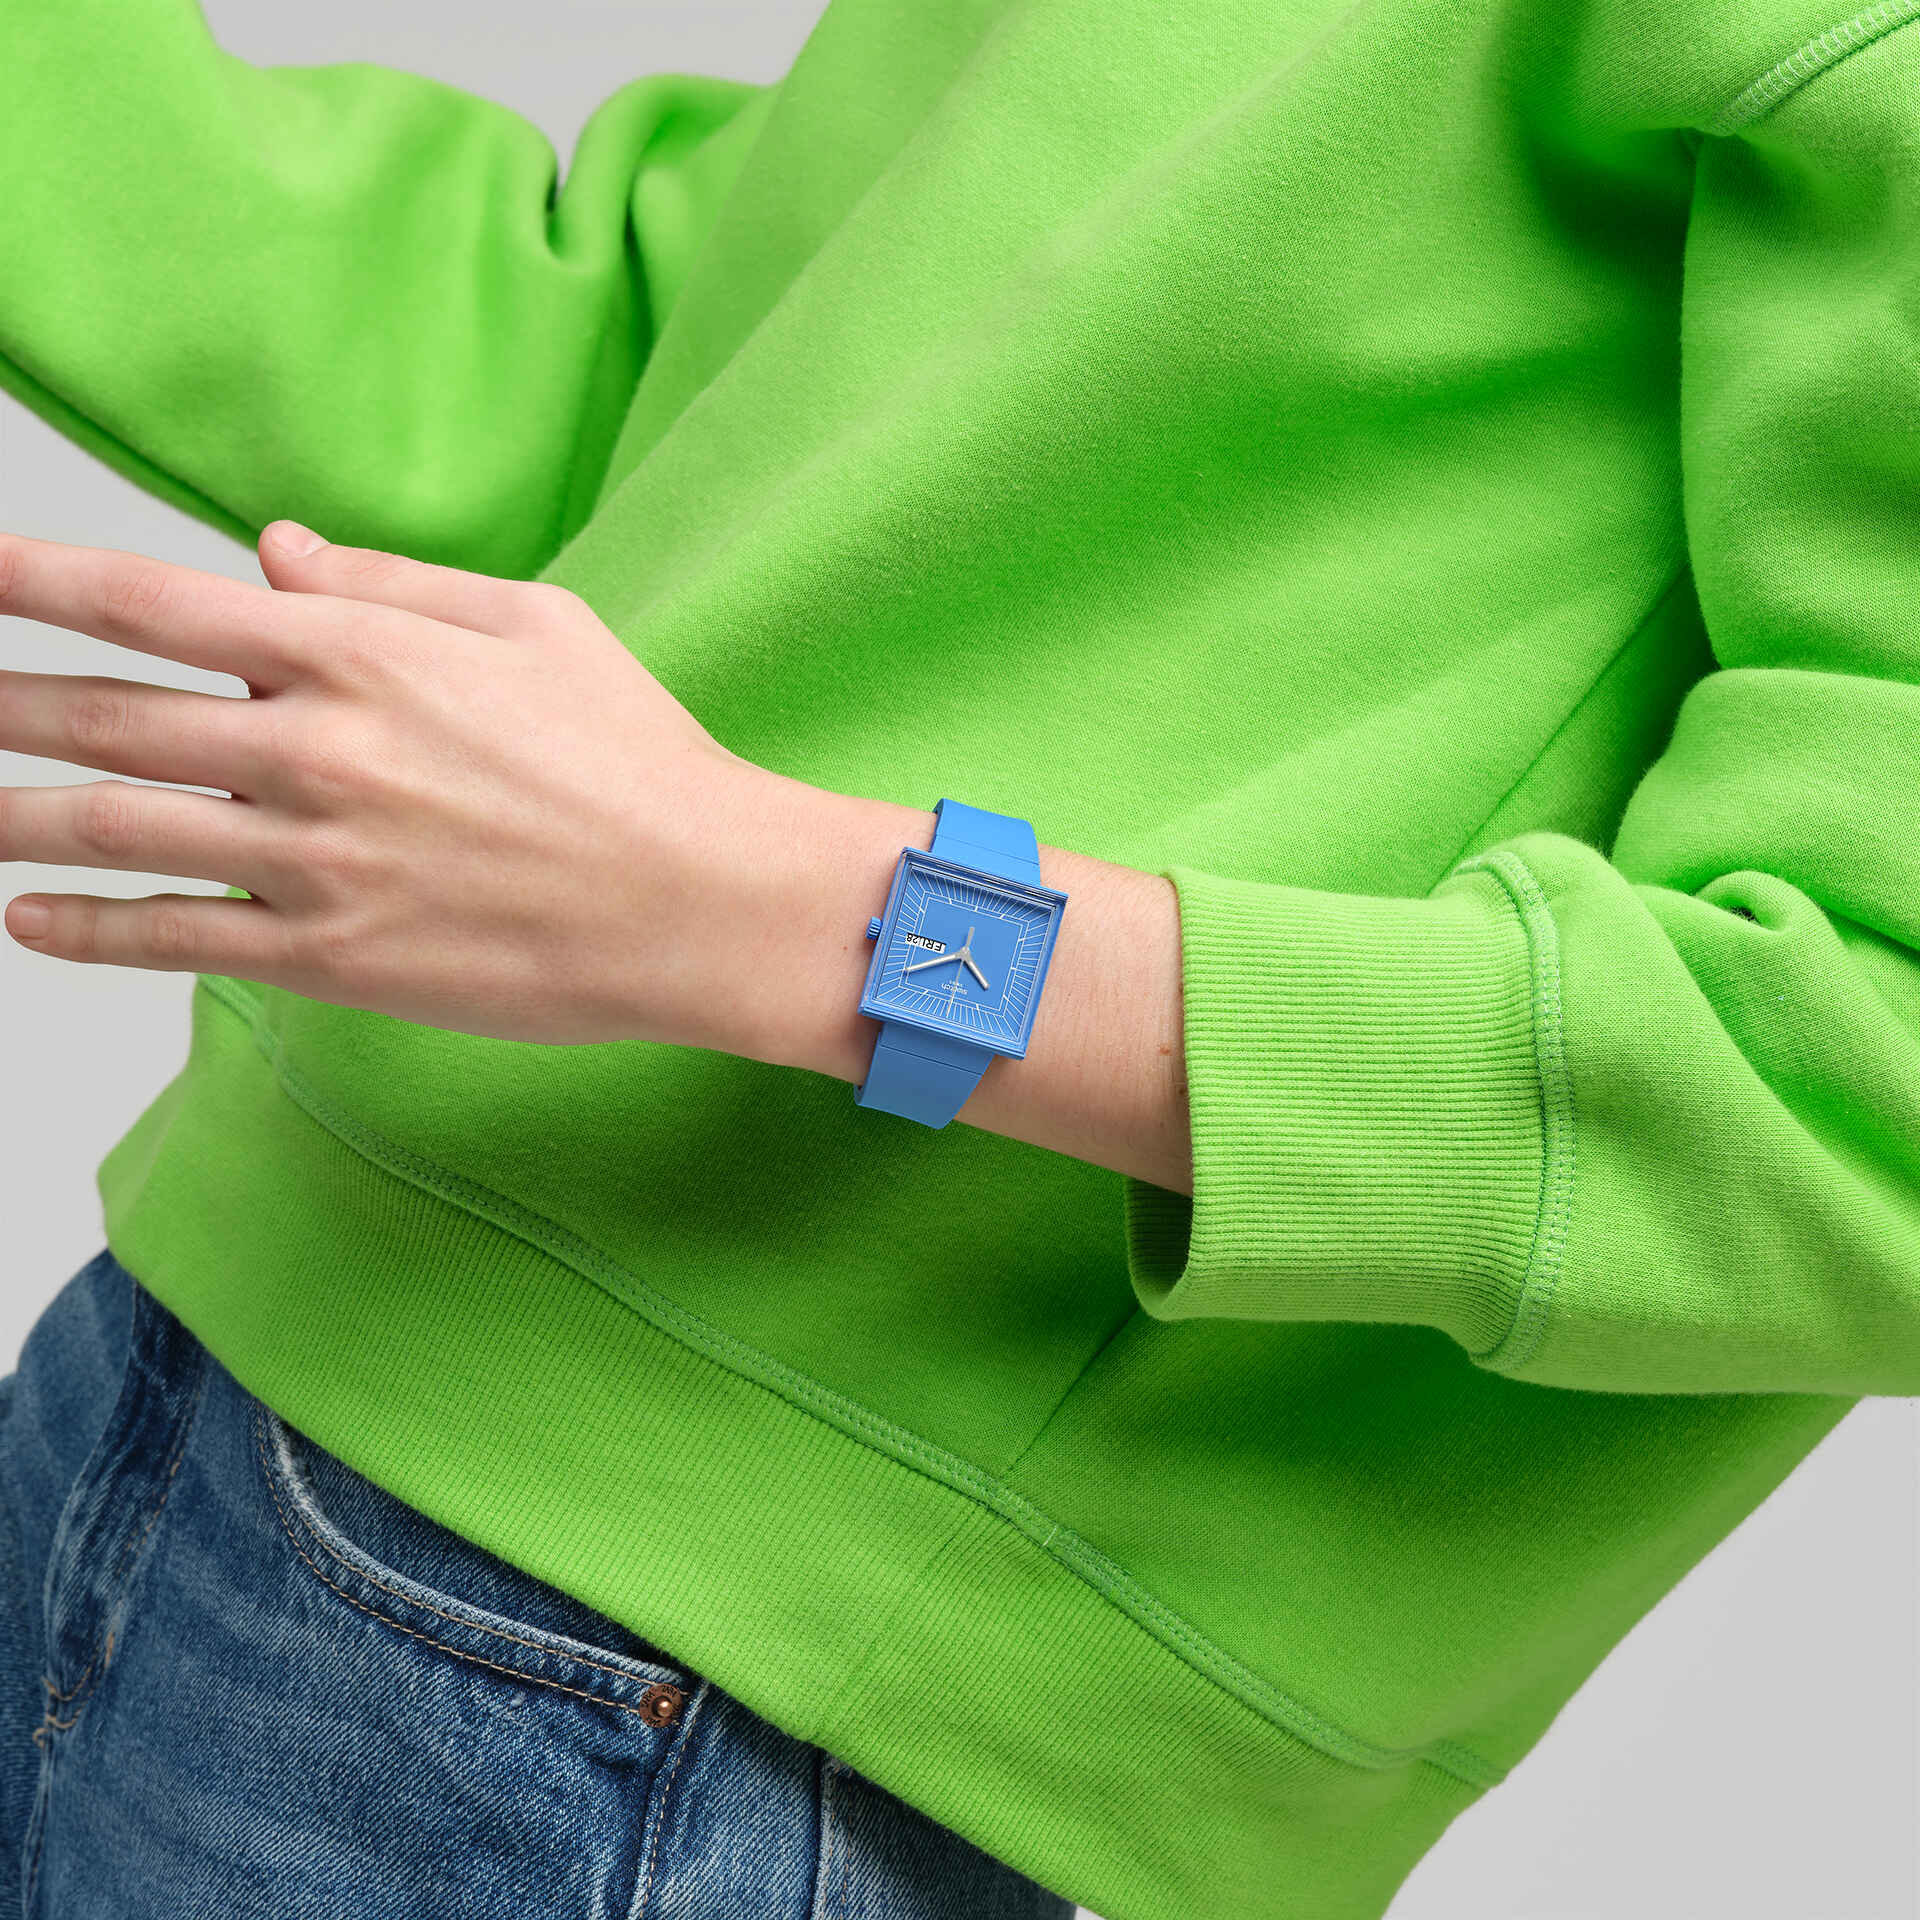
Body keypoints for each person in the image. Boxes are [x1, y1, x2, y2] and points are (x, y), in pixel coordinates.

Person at [1, 0, 1917, 1912]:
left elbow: (1877, 1082)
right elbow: (744, 390)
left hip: (702, 1671)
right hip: (218, 1335)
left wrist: (803, 915)